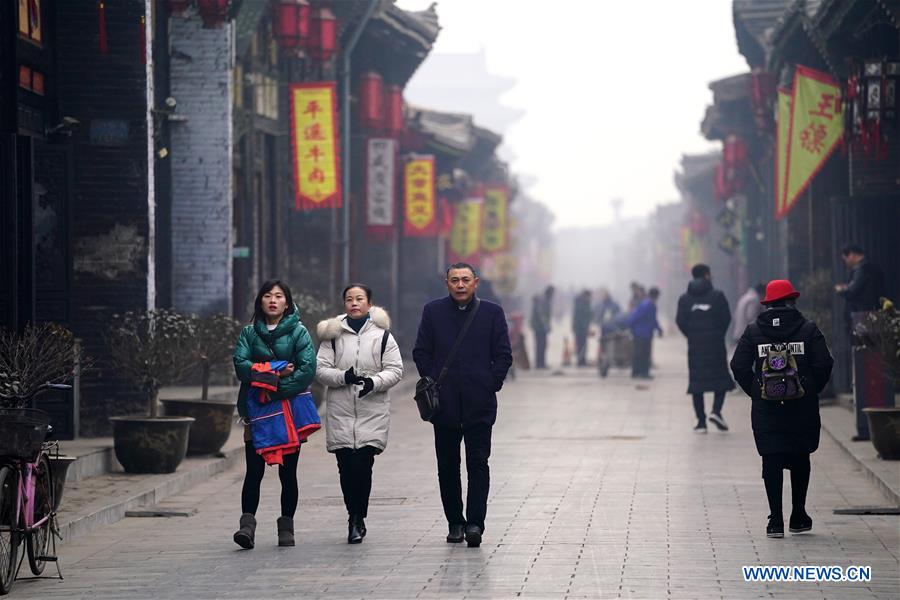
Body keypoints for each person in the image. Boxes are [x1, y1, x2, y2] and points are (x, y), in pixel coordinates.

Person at [413, 263, 512, 548]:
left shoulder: (492, 313)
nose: (460, 285)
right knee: (447, 466)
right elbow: (421, 351)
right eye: (454, 280)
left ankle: (475, 523)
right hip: (443, 406)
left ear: (476, 282)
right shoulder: (433, 311)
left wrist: (490, 382)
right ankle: (455, 522)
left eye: (465, 280)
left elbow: (503, 354)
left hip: (479, 404)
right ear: (447, 283)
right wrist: (431, 380)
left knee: (478, 463)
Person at [730, 279, 833, 539]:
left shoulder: (754, 332)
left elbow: (738, 365)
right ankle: (798, 515)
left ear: (768, 304)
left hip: (767, 409)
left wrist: (757, 390)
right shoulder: (808, 329)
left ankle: (775, 520)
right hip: (802, 408)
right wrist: (809, 389)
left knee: (771, 460)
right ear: (792, 301)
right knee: (800, 458)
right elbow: (824, 363)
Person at [315, 284, 403, 544]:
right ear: (344, 303)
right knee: (345, 467)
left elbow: (395, 370)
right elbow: (320, 369)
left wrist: (373, 382)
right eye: (349, 299)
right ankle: (352, 515)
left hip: (371, 410)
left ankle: (358, 518)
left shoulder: (383, 336)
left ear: (369, 303)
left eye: (359, 299)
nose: (354, 303)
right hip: (340, 410)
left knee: (363, 466)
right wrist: (343, 377)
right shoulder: (331, 335)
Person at [232, 280, 316, 549]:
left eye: (279, 296)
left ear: (287, 303)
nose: (272, 300)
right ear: (260, 302)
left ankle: (286, 527)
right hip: (255, 411)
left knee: (288, 473)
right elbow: (241, 367)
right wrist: (277, 371)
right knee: (253, 471)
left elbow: (306, 370)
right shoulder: (248, 332)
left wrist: (274, 389)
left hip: (289, 409)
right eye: (267, 295)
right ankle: (247, 527)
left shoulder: (299, 332)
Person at [676, 264, 736, 433]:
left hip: (695, 347)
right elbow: (726, 318)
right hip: (716, 345)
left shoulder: (684, 299)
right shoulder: (718, 296)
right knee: (721, 379)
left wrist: (692, 335)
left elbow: (680, 321)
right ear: (707, 275)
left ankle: (701, 422)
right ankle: (716, 411)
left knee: (697, 383)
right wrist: (717, 334)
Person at [622, 287, 662, 379]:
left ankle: (642, 373)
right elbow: (635, 316)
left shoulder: (651, 305)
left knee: (644, 354)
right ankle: (639, 373)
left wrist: (659, 329)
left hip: (646, 334)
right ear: (655, 296)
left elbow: (653, 320)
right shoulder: (646, 305)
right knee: (640, 354)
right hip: (640, 334)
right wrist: (629, 326)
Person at [835, 243, 885, 315]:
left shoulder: (862, 269)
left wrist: (841, 289)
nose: (846, 262)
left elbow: (853, 290)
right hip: (874, 312)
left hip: (862, 314)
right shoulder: (873, 267)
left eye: (845, 259)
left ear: (851, 254)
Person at [530, 285, 554, 369]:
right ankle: (540, 364)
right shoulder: (544, 300)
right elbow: (542, 315)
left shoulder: (544, 299)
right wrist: (546, 326)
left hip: (539, 326)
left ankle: (541, 363)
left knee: (541, 345)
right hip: (539, 327)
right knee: (541, 344)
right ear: (550, 292)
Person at [572, 289, 593, 367]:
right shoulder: (581, 304)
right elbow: (580, 318)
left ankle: (582, 359)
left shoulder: (585, 303)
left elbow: (589, 315)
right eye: (588, 297)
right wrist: (585, 328)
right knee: (580, 344)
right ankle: (580, 360)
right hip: (580, 329)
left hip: (583, 328)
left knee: (583, 345)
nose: (589, 298)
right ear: (585, 296)